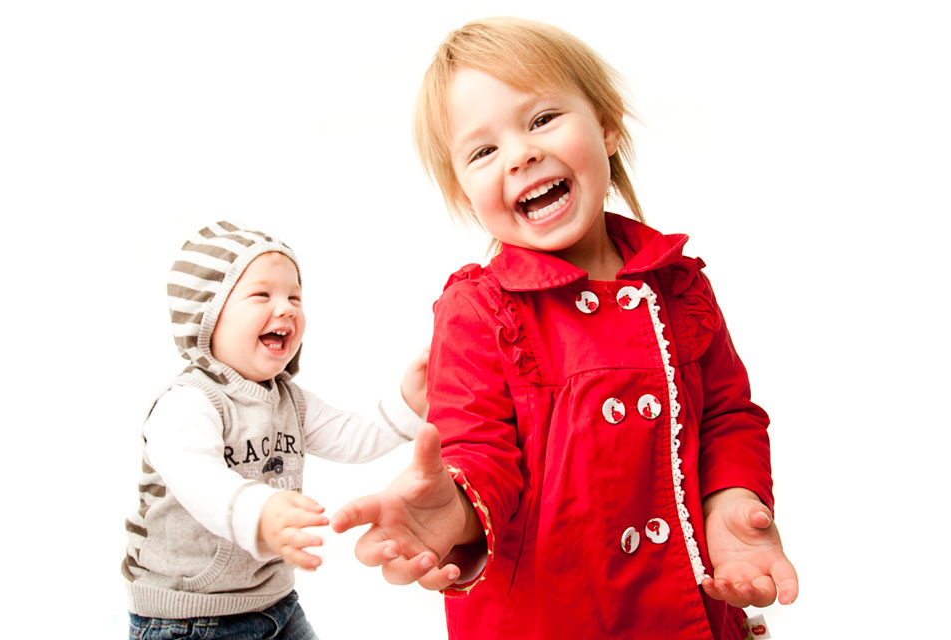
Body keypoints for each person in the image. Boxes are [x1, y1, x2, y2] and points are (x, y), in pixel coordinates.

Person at [330, 17, 798, 640]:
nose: (520, 154)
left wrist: (732, 505)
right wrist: (457, 506)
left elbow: (727, 417)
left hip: (689, 614)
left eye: (542, 119)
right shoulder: (478, 310)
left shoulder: (680, 286)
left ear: (606, 125)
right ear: (466, 192)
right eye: (483, 150)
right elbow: (478, 450)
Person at [122, 221, 428, 639]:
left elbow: (350, 436)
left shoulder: (288, 400)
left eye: (294, 296)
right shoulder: (187, 403)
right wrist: (260, 513)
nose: (286, 308)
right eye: (262, 295)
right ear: (207, 318)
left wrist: (408, 403)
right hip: (189, 618)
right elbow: (199, 480)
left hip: (273, 602)